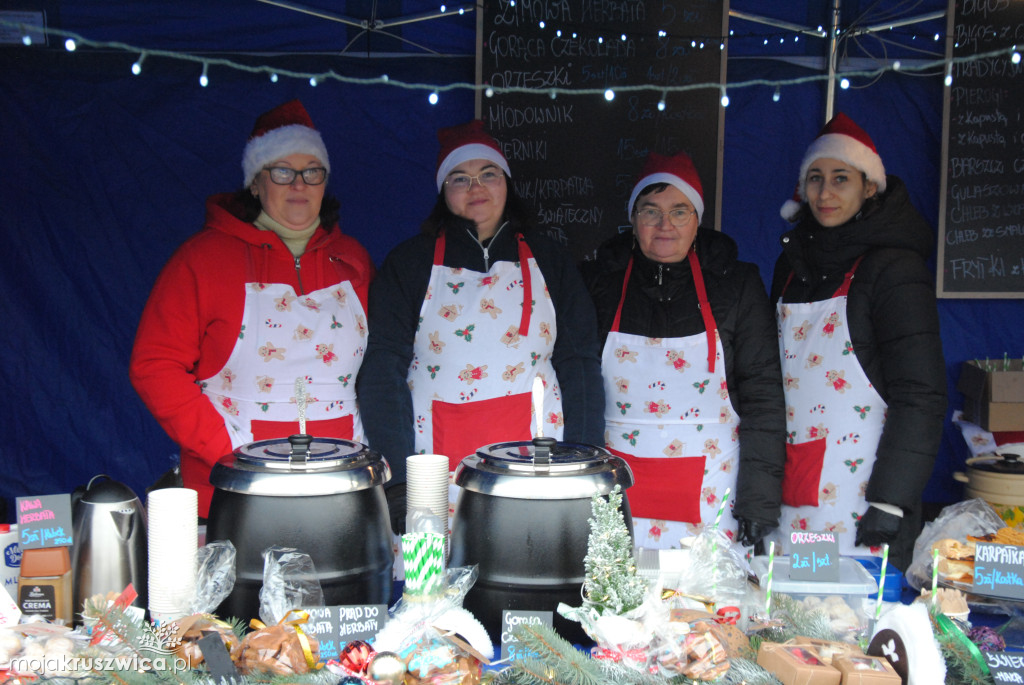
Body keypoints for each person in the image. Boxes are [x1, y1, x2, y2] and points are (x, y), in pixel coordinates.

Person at [130, 100, 374, 517]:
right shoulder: (202, 258)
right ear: (256, 184)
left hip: (339, 484)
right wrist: (227, 447)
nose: (299, 184)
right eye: (282, 171)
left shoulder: (352, 259)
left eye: (312, 172)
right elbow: (154, 365)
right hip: (234, 489)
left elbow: (377, 367)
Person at [357, 120, 605, 530]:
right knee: (438, 581)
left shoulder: (551, 259)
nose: (477, 188)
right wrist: (399, 480)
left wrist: (584, 457)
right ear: (443, 191)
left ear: (506, 182)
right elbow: (383, 368)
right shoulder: (410, 262)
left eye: (488, 174)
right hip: (433, 464)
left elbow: (579, 363)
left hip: (539, 463)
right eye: (460, 178)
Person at [583, 150, 786, 551]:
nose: (665, 226)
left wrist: (758, 503)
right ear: (633, 218)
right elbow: (578, 391)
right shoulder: (594, 284)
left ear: (697, 220)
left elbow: (763, 397)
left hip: (713, 491)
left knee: (705, 610)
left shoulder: (738, 285)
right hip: (617, 491)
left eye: (679, 211)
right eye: (650, 211)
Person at [770, 112, 946, 571]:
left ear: (869, 186)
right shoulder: (789, 268)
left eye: (840, 179)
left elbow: (920, 394)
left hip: (864, 498)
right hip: (797, 486)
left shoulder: (895, 270)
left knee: (850, 630)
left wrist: (891, 501)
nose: (825, 194)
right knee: (794, 629)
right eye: (815, 179)